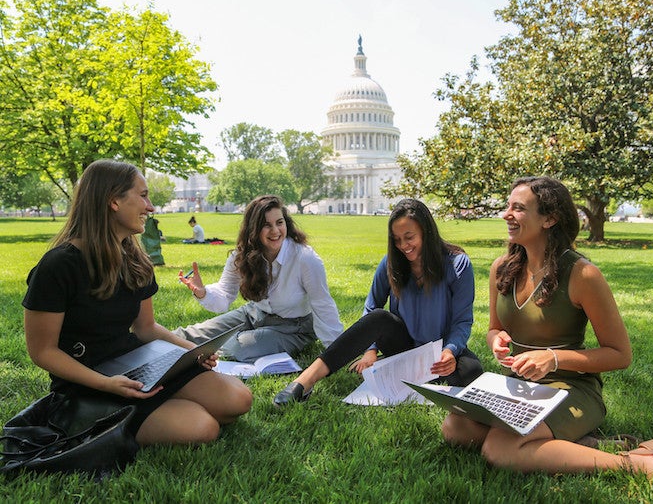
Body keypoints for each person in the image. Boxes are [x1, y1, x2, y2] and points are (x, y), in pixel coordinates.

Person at [440, 176, 653, 492]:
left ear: (549, 218)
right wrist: (496, 342)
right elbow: (493, 330)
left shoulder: (583, 274)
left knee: (500, 449)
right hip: (518, 388)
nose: (506, 214)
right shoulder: (502, 268)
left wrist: (553, 359)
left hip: (571, 387)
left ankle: (637, 462)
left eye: (518, 208)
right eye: (507, 206)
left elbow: (620, 354)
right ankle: (584, 444)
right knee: (456, 427)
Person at [22, 160, 252, 446]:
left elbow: (146, 329)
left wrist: (194, 351)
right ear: (113, 201)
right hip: (86, 383)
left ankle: (160, 408)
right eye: (142, 195)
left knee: (239, 399)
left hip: (138, 365)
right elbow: (43, 351)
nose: (151, 206)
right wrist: (106, 384)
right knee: (203, 427)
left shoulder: (135, 259)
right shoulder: (58, 266)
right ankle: (101, 416)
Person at [273, 198, 484, 406]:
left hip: (438, 351)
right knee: (379, 317)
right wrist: (371, 349)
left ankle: (393, 369)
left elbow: (462, 321)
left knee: (471, 371)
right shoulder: (391, 263)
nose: (403, 246)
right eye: (397, 239)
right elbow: (372, 306)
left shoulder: (457, 264)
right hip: (403, 347)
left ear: (426, 231)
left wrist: (450, 351)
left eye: (409, 237)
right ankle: (304, 382)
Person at [173, 195, 344, 362]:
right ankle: (155, 345)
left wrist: (339, 351)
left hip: (294, 328)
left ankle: (194, 353)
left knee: (238, 347)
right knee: (196, 333)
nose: (275, 231)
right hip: (253, 314)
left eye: (279, 222)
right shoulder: (241, 256)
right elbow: (224, 295)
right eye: (266, 225)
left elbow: (323, 305)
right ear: (253, 229)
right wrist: (203, 293)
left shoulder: (305, 258)